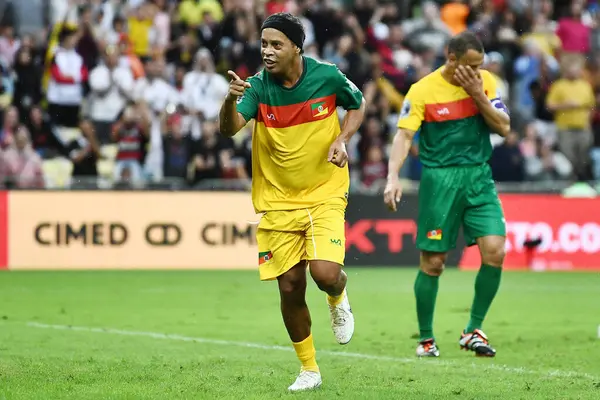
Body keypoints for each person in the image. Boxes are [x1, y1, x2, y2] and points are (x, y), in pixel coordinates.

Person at [218, 12, 365, 392]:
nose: (267, 51)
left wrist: (342, 138)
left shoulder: (327, 75)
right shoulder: (255, 87)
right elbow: (229, 129)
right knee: (289, 287)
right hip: (279, 200)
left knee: (325, 274)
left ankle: (338, 297)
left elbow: (358, 103)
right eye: (264, 44)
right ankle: (309, 369)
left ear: (296, 47)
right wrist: (228, 101)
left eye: (276, 44)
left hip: (325, 190)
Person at [384, 31, 510, 358]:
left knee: (495, 250)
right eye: (470, 65)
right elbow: (404, 136)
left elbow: (504, 127)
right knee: (434, 263)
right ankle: (426, 339)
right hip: (440, 181)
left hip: (479, 176)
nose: (476, 72)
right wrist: (393, 175)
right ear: (450, 58)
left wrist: (477, 93)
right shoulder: (423, 90)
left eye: (480, 66)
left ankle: (473, 330)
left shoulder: (485, 82)